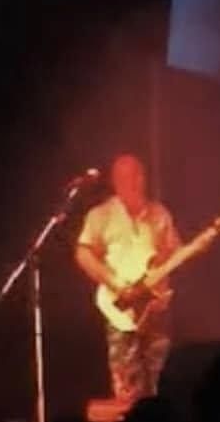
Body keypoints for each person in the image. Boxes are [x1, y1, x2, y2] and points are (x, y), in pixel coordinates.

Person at [75, 153, 182, 404]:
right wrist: (112, 281)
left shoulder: (159, 214)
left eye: (137, 175)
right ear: (115, 181)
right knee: (128, 390)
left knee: (164, 383)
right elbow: (83, 253)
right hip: (121, 313)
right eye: (125, 177)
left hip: (156, 309)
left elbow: (175, 251)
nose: (133, 182)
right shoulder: (101, 215)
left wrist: (164, 262)